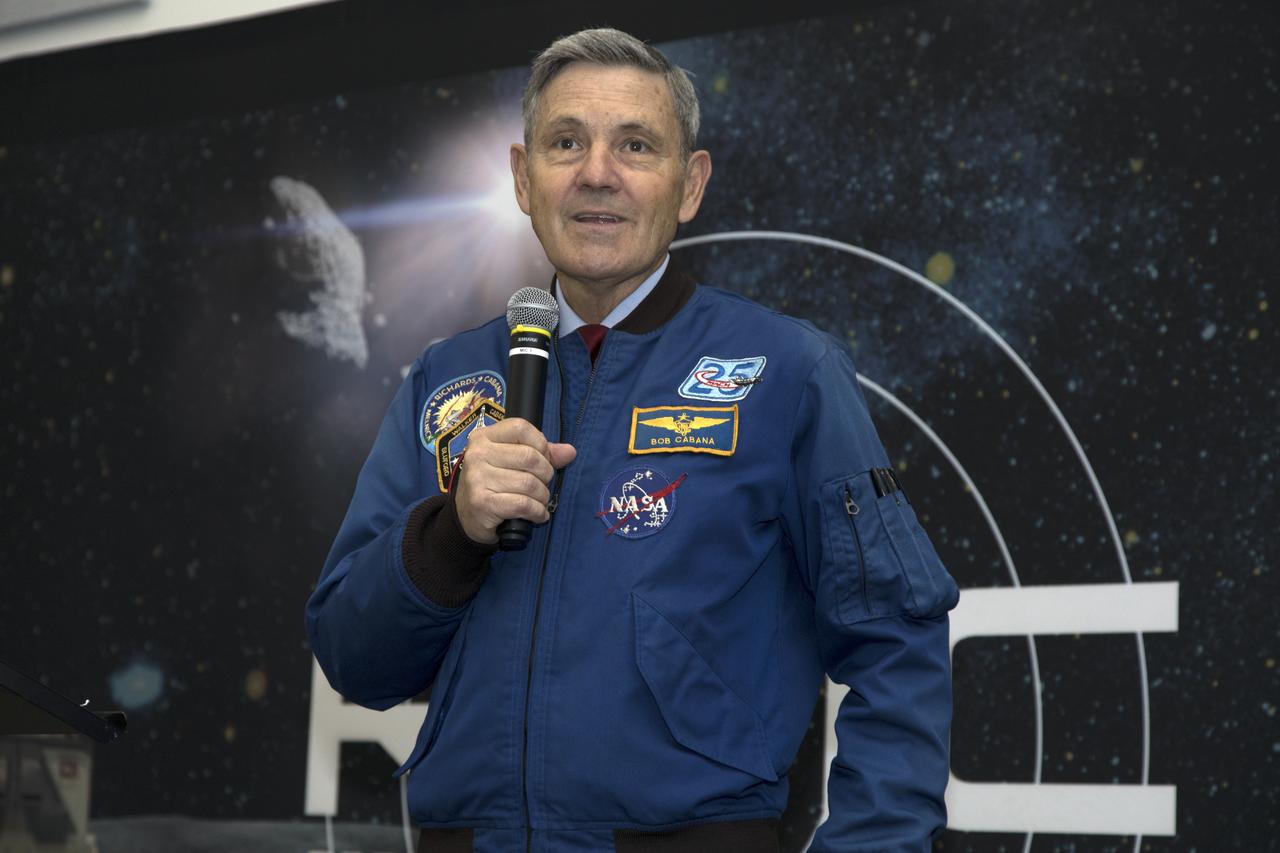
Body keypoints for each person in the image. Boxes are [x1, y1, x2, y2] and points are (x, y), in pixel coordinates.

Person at [306, 27, 959, 853]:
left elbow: (897, 642)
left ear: (689, 185)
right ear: (521, 176)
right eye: (566, 142)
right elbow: (352, 658)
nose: (596, 173)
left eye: (636, 145)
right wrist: (452, 533)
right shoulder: (446, 379)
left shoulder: (786, 371)